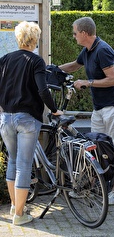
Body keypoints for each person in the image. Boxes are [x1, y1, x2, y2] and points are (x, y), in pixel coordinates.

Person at [0, 21, 63, 226]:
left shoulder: (5, 59)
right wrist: (54, 109)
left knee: (13, 161)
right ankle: (20, 215)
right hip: (27, 119)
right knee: (24, 165)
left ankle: (15, 206)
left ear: (18, 38)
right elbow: (43, 90)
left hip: (6, 117)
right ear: (34, 40)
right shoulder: (36, 61)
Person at [59, 17, 114, 205]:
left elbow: (113, 80)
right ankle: (90, 185)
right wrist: (52, 70)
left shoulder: (103, 50)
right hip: (99, 108)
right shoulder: (88, 50)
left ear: (84, 33)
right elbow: (75, 65)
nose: (73, 36)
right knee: (94, 147)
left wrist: (87, 83)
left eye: (74, 33)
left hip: (113, 107)